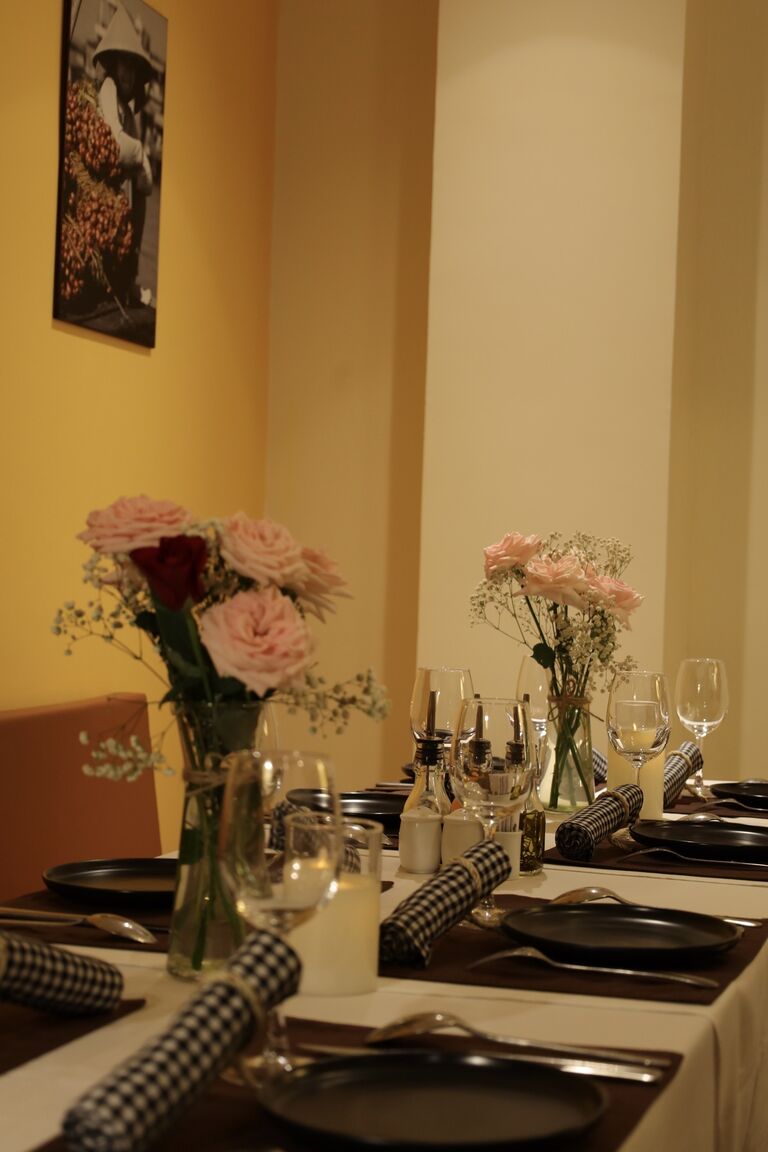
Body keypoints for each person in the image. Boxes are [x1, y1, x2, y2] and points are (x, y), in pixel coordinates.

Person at [92, 6, 154, 305]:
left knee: (139, 190)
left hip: (118, 199)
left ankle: (128, 276)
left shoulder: (128, 112)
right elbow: (117, 147)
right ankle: (119, 276)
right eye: (123, 64)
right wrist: (140, 153)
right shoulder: (107, 89)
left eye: (133, 66)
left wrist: (141, 164)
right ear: (114, 65)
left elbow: (147, 184)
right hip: (98, 191)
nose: (127, 73)